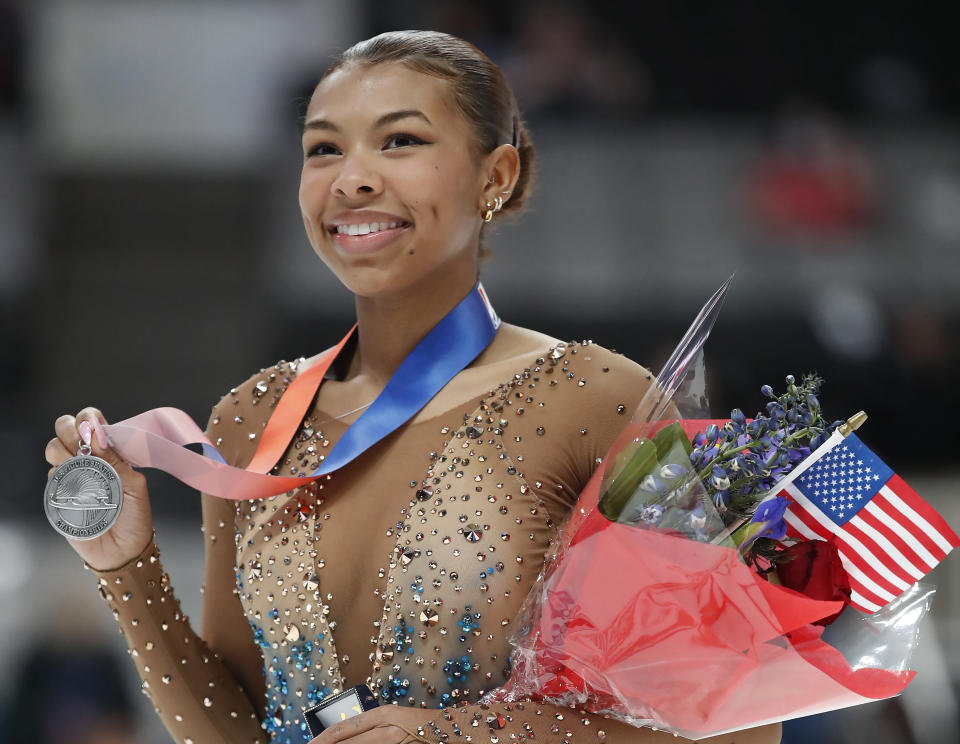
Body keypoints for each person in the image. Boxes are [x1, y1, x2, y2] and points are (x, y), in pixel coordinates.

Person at [45, 31, 782, 744]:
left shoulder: (595, 398)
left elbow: (740, 727)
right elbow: (239, 730)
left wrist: (465, 737)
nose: (352, 177)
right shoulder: (250, 419)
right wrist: (126, 566)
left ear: (496, 176)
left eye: (399, 141)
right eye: (323, 148)